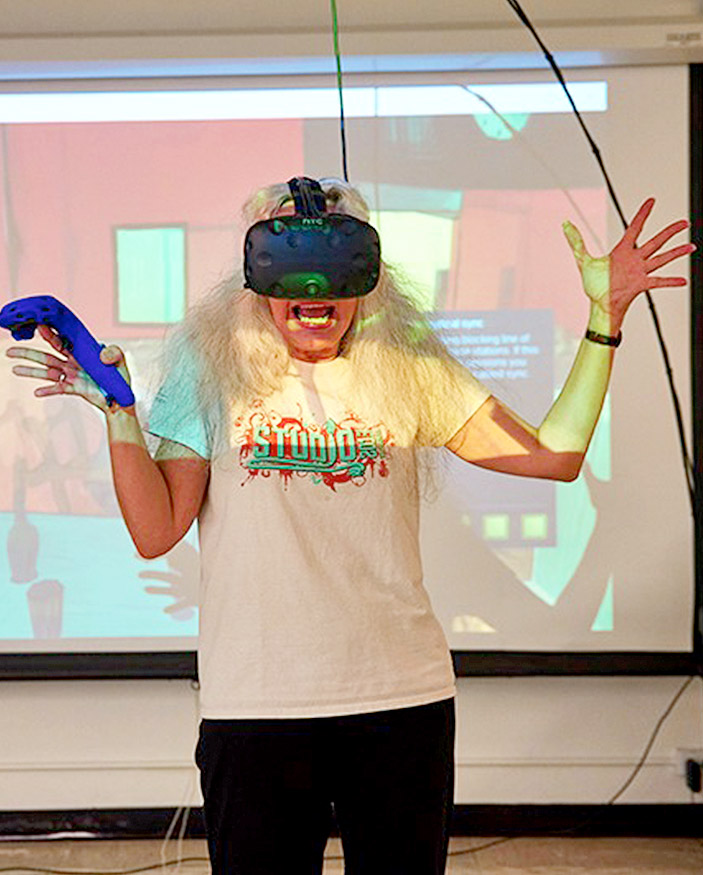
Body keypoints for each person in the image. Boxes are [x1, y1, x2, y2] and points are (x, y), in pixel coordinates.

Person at [5, 178, 694, 874]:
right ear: (255, 278)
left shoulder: (406, 369)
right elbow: (155, 531)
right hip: (257, 701)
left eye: (337, 261)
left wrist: (603, 319)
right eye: (287, 259)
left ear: (367, 276)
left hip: (399, 698)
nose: (314, 286)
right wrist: (119, 411)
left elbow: (554, 455)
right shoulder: (208, 370)